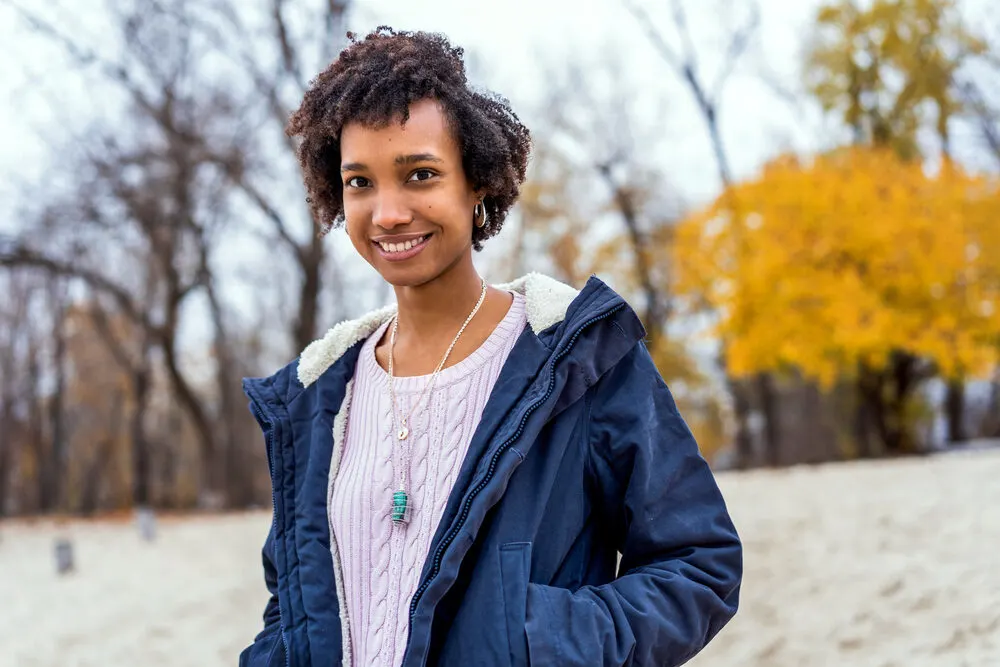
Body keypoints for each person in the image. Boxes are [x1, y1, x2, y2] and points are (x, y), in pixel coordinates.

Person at [240, 26, 741, 667]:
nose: (387, 212)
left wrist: (536, 643)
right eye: (360, 182)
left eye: (419, 174)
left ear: (476, 184)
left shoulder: (577, 364)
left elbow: (699, 563)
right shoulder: (316, 400)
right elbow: (292, 605)